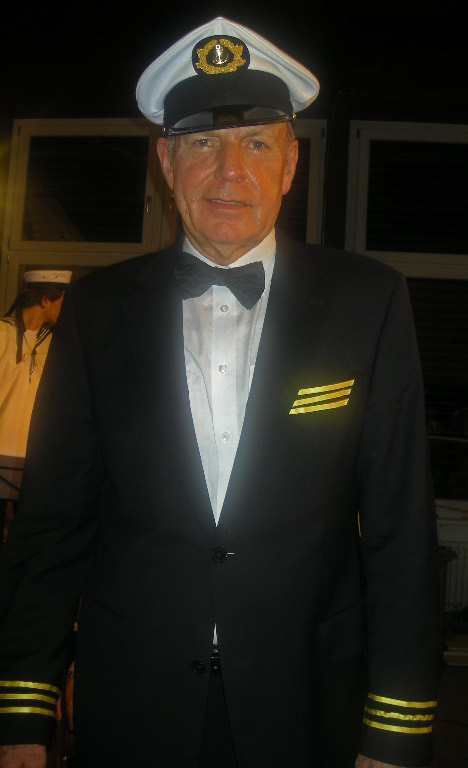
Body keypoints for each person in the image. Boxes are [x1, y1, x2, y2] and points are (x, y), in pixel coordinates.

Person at [0, 17, 439, 768]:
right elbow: (51, 527)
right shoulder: (98, 310)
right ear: (166, 164)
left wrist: (396, 729)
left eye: (256, 144)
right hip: (132, 704)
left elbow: (401, 530)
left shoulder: (367, 302)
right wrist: (22, 714)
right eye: (202, 144)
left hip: (307, 702)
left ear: (291, 164)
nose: (229, 171)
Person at [0, 270, 71, 541]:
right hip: (1, 452)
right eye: (63, 302)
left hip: (35, 459)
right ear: (45, 300)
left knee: (30, 538)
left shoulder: (55, 344)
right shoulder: (2, 333)